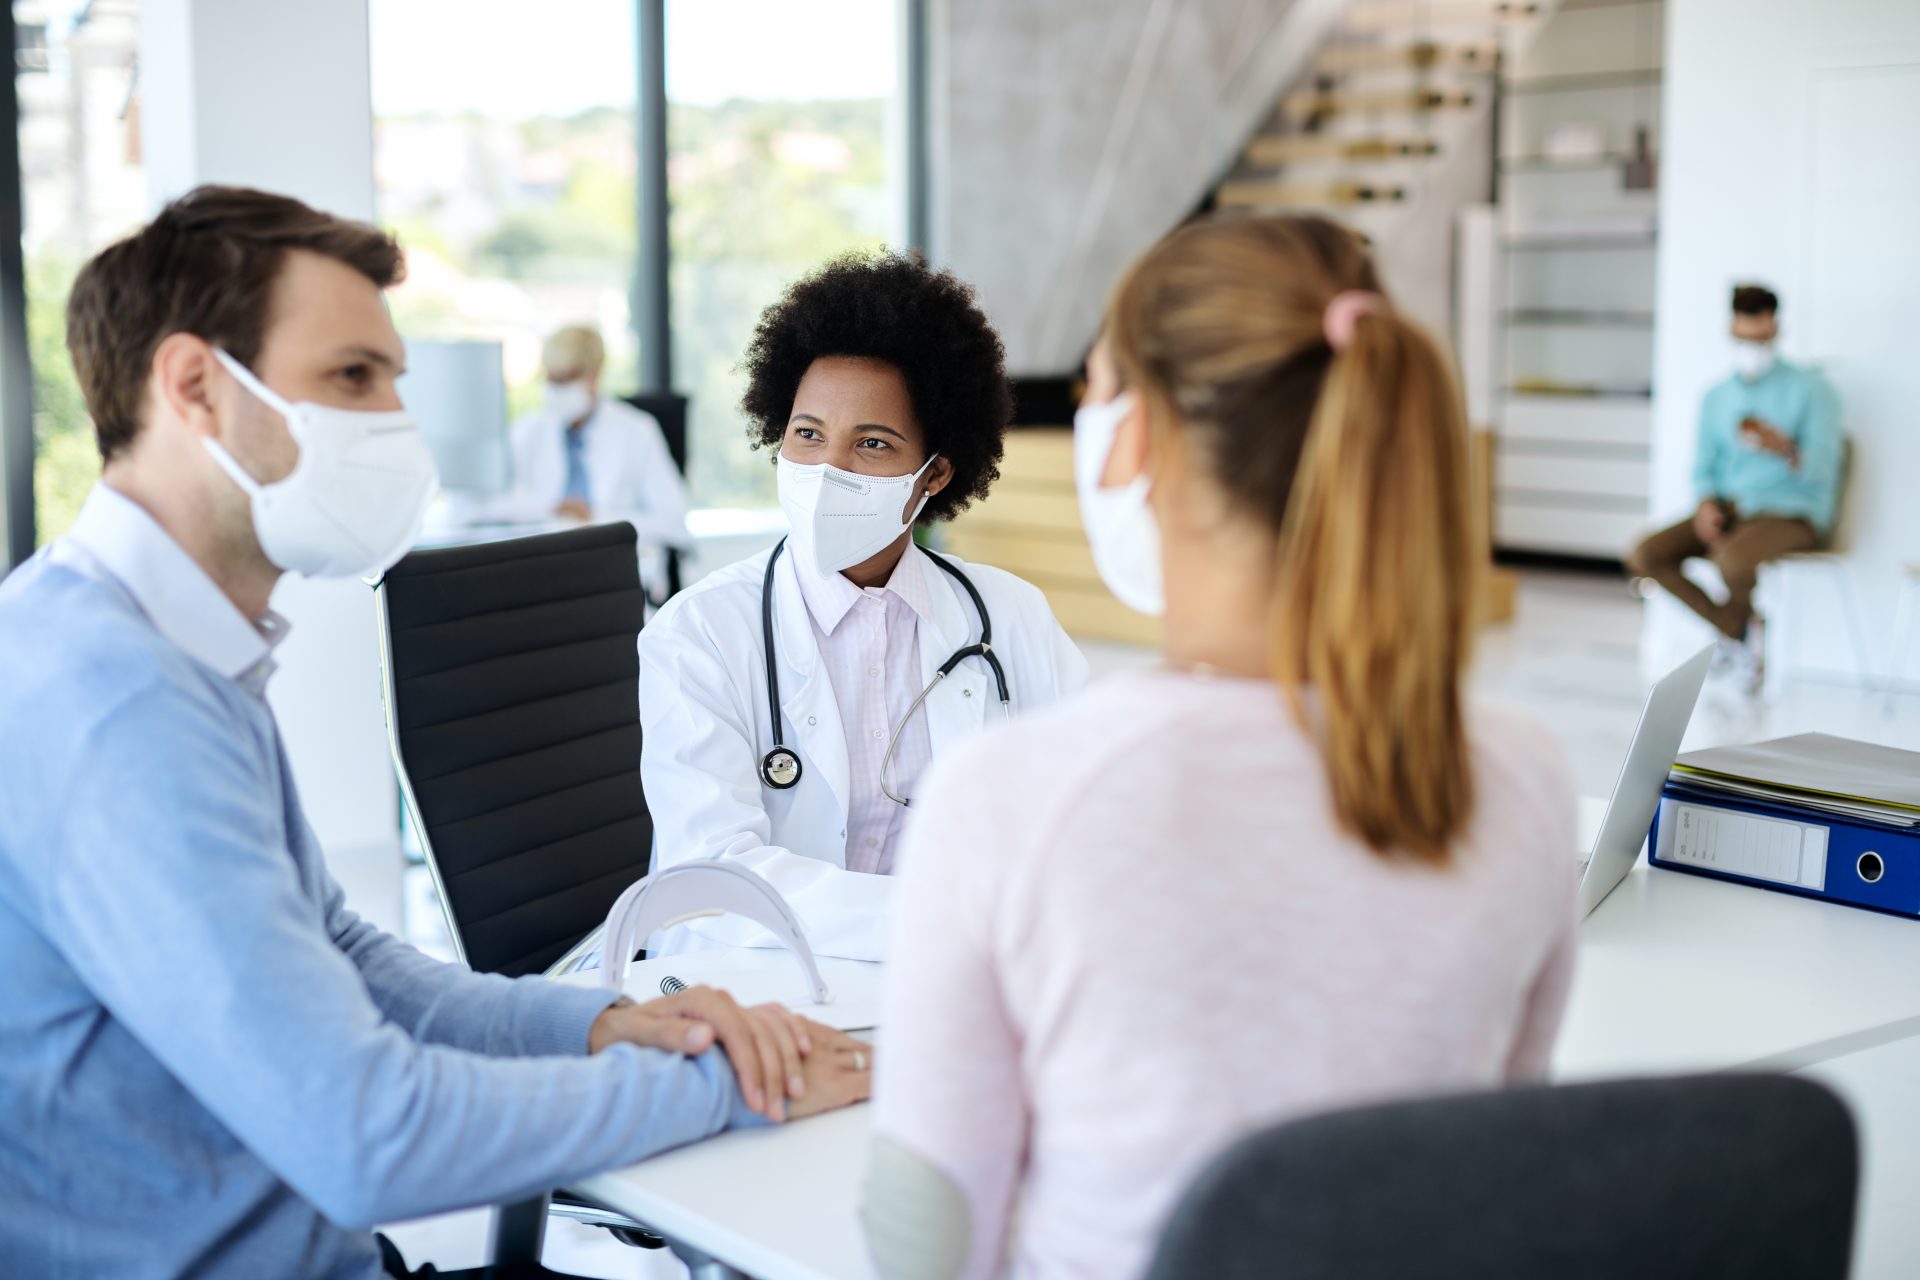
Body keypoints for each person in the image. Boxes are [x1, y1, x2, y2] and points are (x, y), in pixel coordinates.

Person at [0, 186, 869, 1280]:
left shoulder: (165, 649)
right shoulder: (114, 701)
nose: (393, 424)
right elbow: (368, 1131)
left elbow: (346, 957)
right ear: (195, 387)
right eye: (353, 377)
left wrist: (605, 1025)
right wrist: (728, 1083)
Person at [861, 216, 1578, 1280]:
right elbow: (1490, 1161)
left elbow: (928, 1238)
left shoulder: (1012, 798)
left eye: (1097, 385)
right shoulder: (1520, 775)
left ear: (1137, 434)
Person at [638, 252, 1089, 962]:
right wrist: (952, 922)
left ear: (934, 473)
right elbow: (719, 881)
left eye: (872, 443)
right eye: (808, 434)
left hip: (950, 987)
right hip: (755, 990)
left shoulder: (1010, 617)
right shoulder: (699, 634)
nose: (828, 471)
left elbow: (1087, 814)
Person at [1626, 284, 1843, 683]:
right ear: (1731, 331)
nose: (1751, 347)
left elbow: (1824, 471)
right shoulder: (1717, 397)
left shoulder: (1814, 391)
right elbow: (1703, 466)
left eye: (1760, 338)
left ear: (1776, 329)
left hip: (1791, 512)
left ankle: (1735, 635)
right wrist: (1706, 503)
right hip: (1732, 510)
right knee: (1646, 554)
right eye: (1744, 339)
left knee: (1732, 558)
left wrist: (1788, 450)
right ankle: (1737, 627)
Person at [493, 323, 691, 549]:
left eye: (566, 379)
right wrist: (552, 508)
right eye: (551, 379)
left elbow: (673, 521)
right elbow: (480, 507)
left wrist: (595, 519)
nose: (555, 389)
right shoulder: (529, 431)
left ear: (594, 374)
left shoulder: (637, 431)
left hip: (615, 562)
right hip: (545, 560)